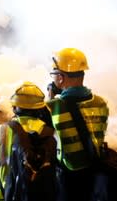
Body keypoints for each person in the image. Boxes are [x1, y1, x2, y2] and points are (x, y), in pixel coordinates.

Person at [47, 48, 109, 201]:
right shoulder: (101, 103)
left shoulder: (54, 106)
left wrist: (50, 97)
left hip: (68, 173)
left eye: (54, 74)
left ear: (61, 78)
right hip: (93, 168)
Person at [0, 82, 56, 201]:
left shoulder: (2, 129)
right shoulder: (51, 132)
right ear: (40, 109)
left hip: (6, 194)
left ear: (15, 107)